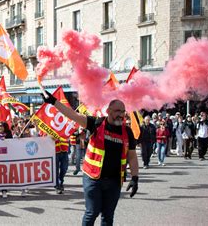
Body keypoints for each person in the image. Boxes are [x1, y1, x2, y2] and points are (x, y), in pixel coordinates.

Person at [42, 93, 139, 226]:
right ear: (108, 111)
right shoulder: (96, 123)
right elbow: (73, 115)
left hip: (115, 181)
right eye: (117, 111)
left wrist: (135, 178)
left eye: (123, 111)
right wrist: (54, 102)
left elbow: (132, 156)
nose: (121, 115)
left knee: (108, 216)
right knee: (92, 212)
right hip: (93, 178)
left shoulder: (127, 132)